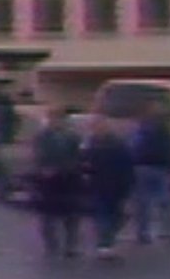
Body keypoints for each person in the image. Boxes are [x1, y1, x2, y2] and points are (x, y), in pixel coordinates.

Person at [31, 106, 83, 257]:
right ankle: (51, 245)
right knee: (48, 216)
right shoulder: (42, 137)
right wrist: (43, 170)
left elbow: (78, 156)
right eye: (53, 118)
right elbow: (39, 156)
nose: (56, 122)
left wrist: (73, 169)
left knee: (72, 215)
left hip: (69, 179)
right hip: (48, 180)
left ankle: (71, 246)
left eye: (60, 119)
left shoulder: (73, 137)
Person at [81, 116, 136, 259]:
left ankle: (106, 242)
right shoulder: (95, 144)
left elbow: (127, 165)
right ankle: (105, 244)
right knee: (106, 215)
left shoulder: (108, 144)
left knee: (113, 216)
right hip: (104, 185)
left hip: (112, 185)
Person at [130, 110, 170, 245]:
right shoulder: (166, 133)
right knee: (165, 201)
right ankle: (168, 232)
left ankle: (143, 233)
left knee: (143, 203)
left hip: (142, 168)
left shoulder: (141, 132)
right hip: (161, 168)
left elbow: (133, 148)